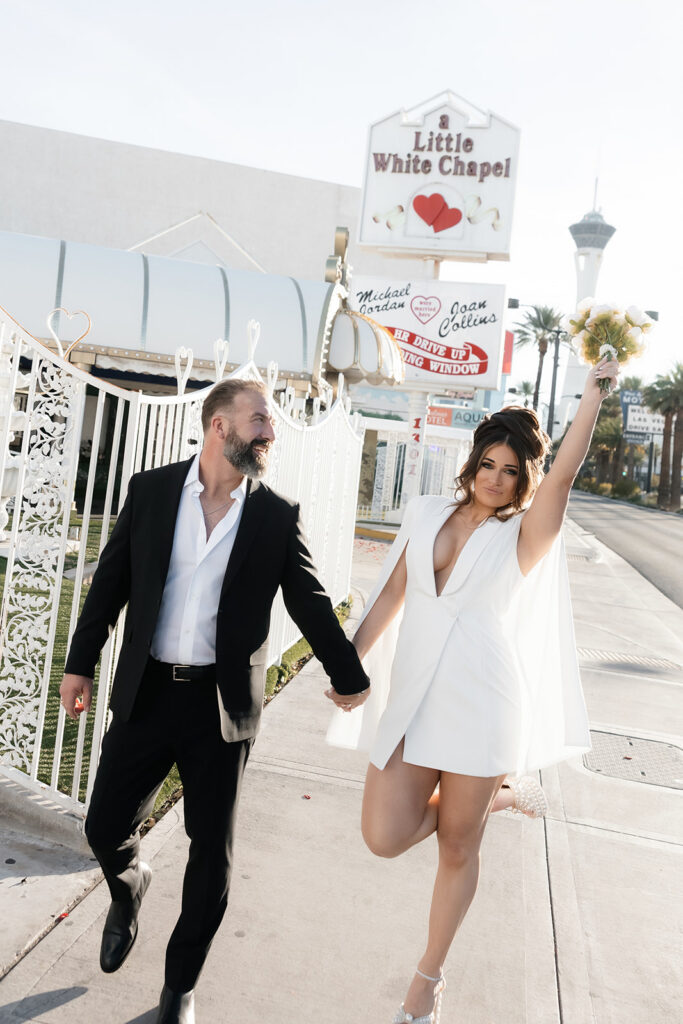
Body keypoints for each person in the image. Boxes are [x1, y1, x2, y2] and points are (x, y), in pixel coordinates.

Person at [59, 377, 369, 1024]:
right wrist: (79, 664)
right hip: (147, 694)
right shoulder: (149, 492)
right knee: (103, 826)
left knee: (211, 855)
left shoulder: (274, 516)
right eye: (260, 418)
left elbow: (309, 601)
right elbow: (109, 583)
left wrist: (349, 674)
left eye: (271, 422)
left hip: (220, 711)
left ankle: (179, 987)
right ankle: (129, 884)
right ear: (219, 426)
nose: (270, 431)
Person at [327, 356, 619, 1023]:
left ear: (523, 478)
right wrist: (351, 665)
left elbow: (567, 471)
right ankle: (498, 795)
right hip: (413, 698)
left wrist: (591, 398)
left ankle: (426, 981)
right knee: (384, 835)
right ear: (472, 463)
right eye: (488, 463)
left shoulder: (523, 534)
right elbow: (394, 592)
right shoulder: (427, 510)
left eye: (510, 470)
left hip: (483, 703)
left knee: (456, 845)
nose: (495, 478)